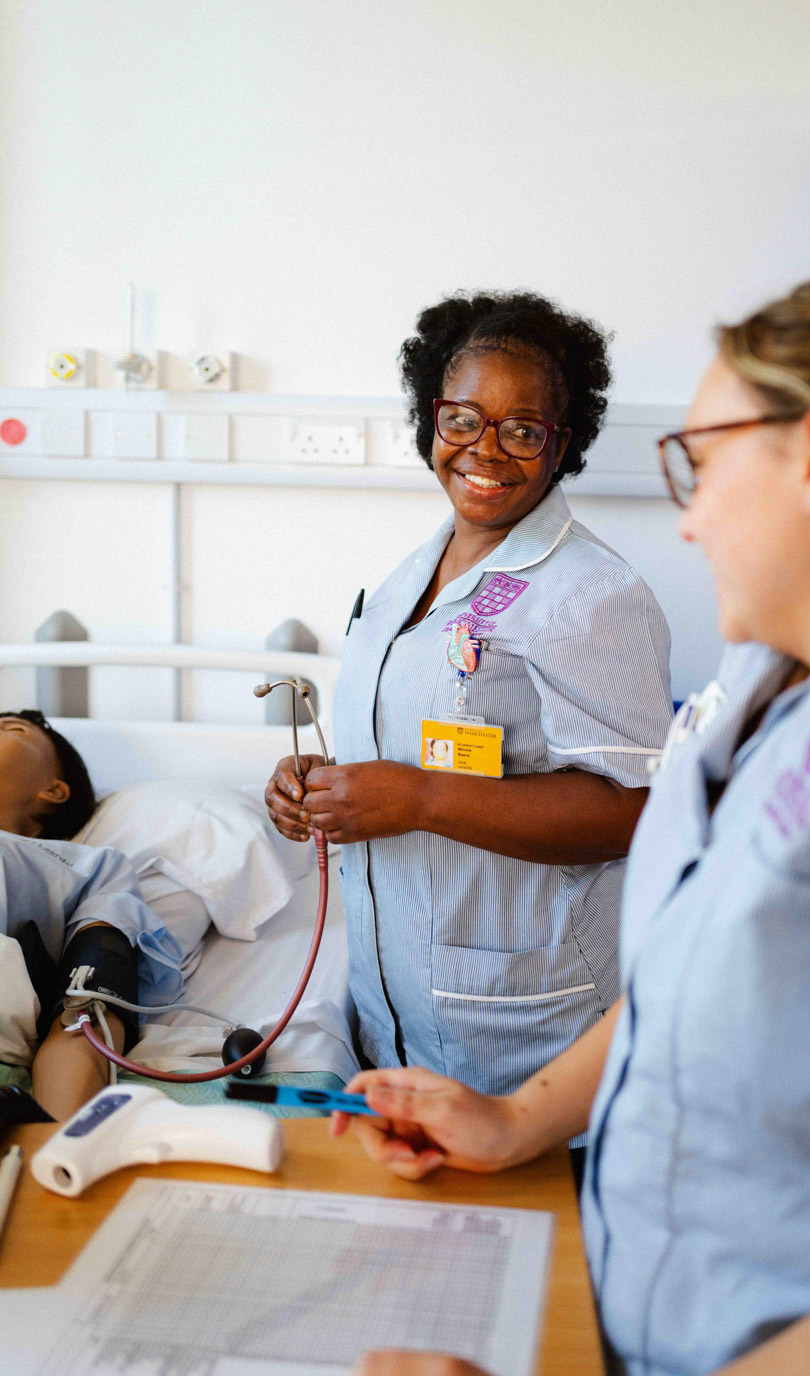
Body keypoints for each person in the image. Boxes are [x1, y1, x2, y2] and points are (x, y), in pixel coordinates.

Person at [333, 273, 810, 1376]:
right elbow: (689, 982)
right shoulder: (772, 680)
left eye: (702, 462)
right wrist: (518, 1119)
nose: (688, 513)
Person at [266, 292, 673, 1101]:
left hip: (529, 1024)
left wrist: (414, 797)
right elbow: (426, 741)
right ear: (431, 419)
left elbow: (635, 811)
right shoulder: (407, 580)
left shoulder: (592, 594)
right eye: (463, 418)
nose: (486, 449)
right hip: (400, 1004)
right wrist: (329, 789)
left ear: (563, 446)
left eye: (523, 430)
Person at [0, 710, 182, 1119]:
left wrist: (53, 1152)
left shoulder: (90, 871)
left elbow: (83, 1019)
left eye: (11, 729)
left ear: (54, 790)